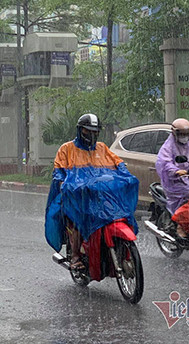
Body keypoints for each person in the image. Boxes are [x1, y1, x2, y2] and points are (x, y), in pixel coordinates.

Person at [45, 113, 139, 271]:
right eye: (87, 131)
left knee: (117, 213)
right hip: (76, 196)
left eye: (95, 131)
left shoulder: (102, 148)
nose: (91, 135)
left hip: (99, 194)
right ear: (80, 130)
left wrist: (126, 175)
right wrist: (63, 182)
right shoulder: (66, 149)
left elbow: (118, 163)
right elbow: (59, 172)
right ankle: (75, 256)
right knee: (76, 221)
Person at [155, 118, 189, 237]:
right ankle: (181, 225)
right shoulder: (167, 147)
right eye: (182, 133)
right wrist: (176, 171)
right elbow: (164, 163)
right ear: (174, 132)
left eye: (187, 133)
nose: (185, 136)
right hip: (174, 182)